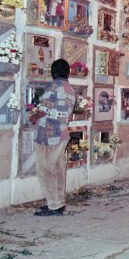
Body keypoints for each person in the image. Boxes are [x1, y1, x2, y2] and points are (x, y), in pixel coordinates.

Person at [30, 59, 77, 216]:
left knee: (45, 168)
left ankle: (54, 205)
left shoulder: (54, 86)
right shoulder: (70, 89)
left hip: (49, 134)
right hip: (62, 133)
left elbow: (44, 108)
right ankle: (59, 202)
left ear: (53, 72)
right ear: (67, 72)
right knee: (58, 168)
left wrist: (33, 117)